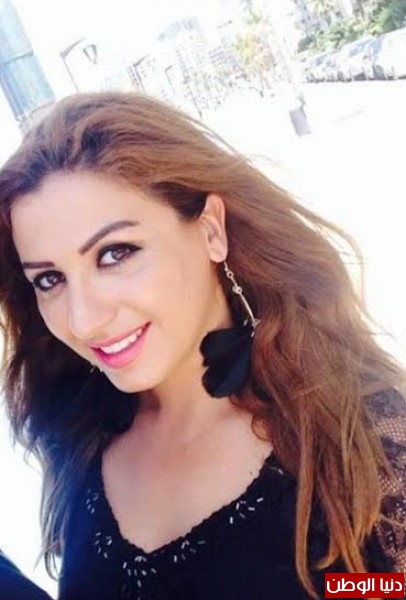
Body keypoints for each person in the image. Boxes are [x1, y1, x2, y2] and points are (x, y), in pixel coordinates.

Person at [0, 91, 405, 600]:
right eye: (50, 279)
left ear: (211, 230)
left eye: (115, 253)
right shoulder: (81, 430)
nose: (83, 320)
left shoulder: (358, 438)